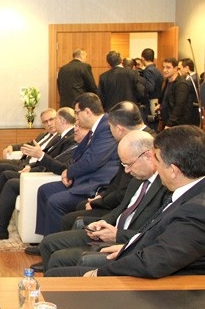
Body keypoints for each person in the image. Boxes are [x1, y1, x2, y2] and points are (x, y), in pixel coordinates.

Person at [45, 125, 205, 278]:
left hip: (163, 284)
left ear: (173, 170)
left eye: (158, 160)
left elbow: (155, 261)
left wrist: (98, 273)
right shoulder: (190, 193)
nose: (156, 166)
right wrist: (128, 247)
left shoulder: (196, 209)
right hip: (138, 254)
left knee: (55, 275)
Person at [38, 130, 168, 272]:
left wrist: (117, 235)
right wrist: (102, 222)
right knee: (48, 243)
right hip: (110, 232)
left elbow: (155, 233)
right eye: (124, 165)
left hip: (128, 240)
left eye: (129, 164)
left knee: (58, 259)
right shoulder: (137, 179)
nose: (126, 171)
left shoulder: (165, 186)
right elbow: (121, 209)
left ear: (148, 156)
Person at [0, 119, 85, 241]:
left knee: (10, 182)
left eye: (78, 126)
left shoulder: (73, 142)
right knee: (5, 175)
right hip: (41, 171)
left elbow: (61, 166)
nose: (75, 129)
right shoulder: (59, 138)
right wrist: (32, 166)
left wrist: (34, 167)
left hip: (47, 177)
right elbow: (51, 159)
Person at [32, 93, 120, 238]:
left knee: (55, 201)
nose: (76, 117)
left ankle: (56, 243)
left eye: (77, 112)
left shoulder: (106, 127)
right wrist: (69, 172)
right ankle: (45, 240)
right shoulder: (96, 128)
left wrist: (69, 173)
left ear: (88, 112)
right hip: (82, 179)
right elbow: (78, 156)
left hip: (95, 185)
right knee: (44, 190)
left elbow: (92, 161)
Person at [0, 108, 59, 214]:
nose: (49, 124)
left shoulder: (59, 138)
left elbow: (50, 159)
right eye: (45, 122)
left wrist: (31, 166)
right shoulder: (44, 135)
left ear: (58, 119)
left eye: (51, 119)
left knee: (2, 169)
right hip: (25, 162)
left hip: (32, 166)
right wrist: (12, 146)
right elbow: (29, 144)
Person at [159, 58, 200, 128]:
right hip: (167, 121)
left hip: (177, 124)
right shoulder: (167, 81)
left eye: (168, 67)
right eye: (163, 67)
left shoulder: (181, 84)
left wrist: (170, 124)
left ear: (176, 68)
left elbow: (179, 106)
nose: (164, 70)